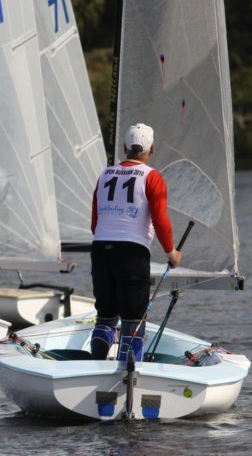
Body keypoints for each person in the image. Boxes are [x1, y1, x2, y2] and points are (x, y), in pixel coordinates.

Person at [89, 123, 182, 363]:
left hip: (101, 250)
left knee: (105, 316)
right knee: (133, 321)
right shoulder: (152, 177)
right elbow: (161, 220)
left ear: (124, 148)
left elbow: (95, 222)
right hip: (132, 253)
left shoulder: (105, 174)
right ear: (152, 149)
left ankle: (95, 366)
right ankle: (127, 374)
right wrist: (171, 253)